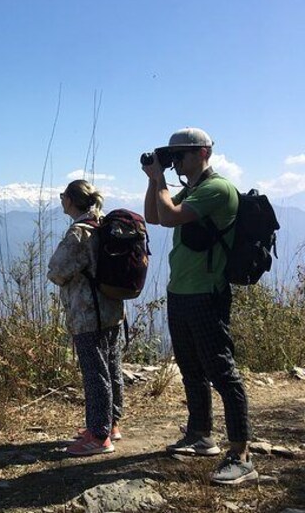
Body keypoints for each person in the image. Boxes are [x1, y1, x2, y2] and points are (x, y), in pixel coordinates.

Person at [142, 127, 257, 485]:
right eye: (173, 155)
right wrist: (154, 181)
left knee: (222, 371)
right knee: (191, 368)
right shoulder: (190, 189)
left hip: (207, 291)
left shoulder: (216, 189)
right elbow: (154, 216)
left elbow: (172, 215)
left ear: (204, 152)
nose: (178, 160)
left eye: (184, 154)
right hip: (181, 290)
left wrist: (160, 177)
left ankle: (241, 454)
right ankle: (200, 435)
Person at [47, 179, 125, 456]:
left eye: (62, 196)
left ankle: (99, 437)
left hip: (87, 313)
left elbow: (56, 271)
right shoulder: (105, 226)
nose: (61, 200)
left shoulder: (80, 232)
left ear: (70, 200)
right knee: (111, 367)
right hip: (112, 309)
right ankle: (111, 423)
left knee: (95, 374)